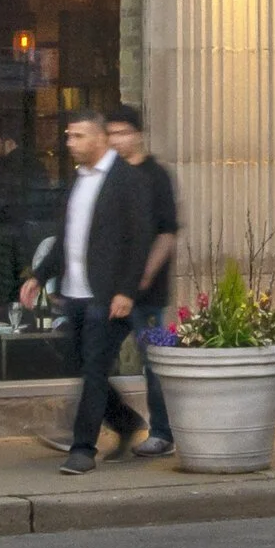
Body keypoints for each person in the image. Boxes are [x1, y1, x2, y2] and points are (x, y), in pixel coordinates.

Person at [17, 111, 153, 474]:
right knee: (78, 364)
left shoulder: (128, 179)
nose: (69, 143)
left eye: (78, 136)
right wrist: (39, 276)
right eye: (68, 135)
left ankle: (82, 449)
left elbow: (140, 240)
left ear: (99, 138)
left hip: (107, 294)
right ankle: (125, 421)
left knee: (94, 368)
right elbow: (67, 236)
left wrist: (126, 291)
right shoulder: (79, 179)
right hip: (73, 291)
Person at [107, 104, 181, 458]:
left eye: (122, 132)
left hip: (149, 294)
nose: (116, 140)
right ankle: (103, 423)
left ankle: (163, 432)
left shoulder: (156, 175)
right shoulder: (109, 175)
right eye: (110, 133)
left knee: (155, 360)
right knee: (92, 359)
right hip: (109, 289)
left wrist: (143, 277)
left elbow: (167, 233)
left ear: (138, 134)